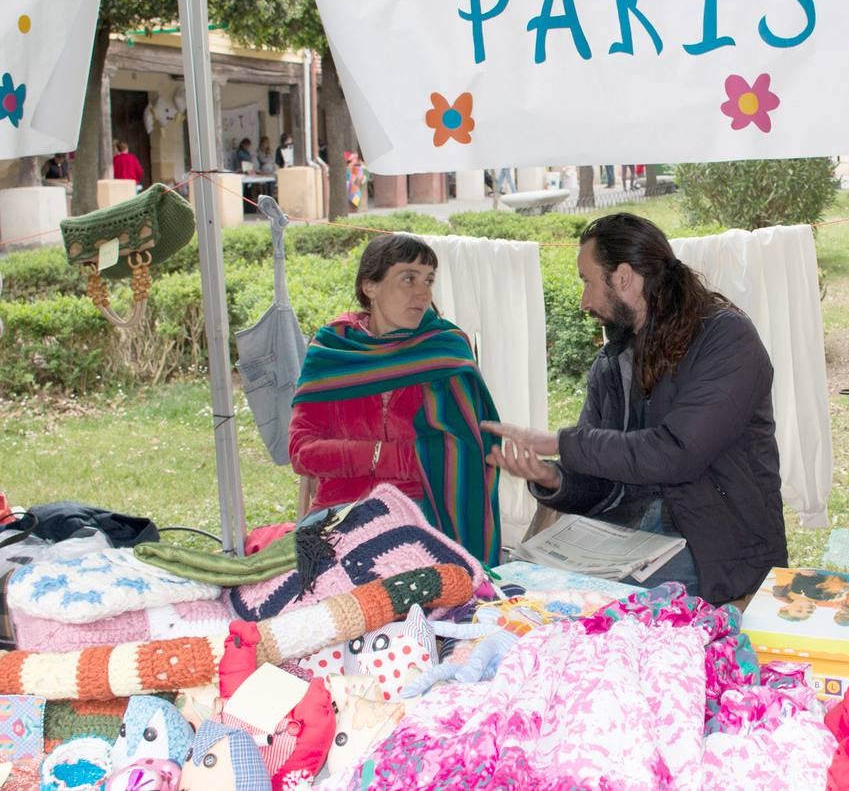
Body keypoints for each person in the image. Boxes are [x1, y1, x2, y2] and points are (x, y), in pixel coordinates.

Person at [482, 213, 788, 605]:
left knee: (581, 606)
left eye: (588, 283)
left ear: (624, 277)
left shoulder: (726, 338)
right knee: (520, 590)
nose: (584, 302)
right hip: (629, 539)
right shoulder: (613, 361)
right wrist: (554, 479)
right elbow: (601, 475)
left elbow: (677, 454)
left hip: (719, 547)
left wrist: (558, 440)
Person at [289, 233, 504, 566]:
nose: (423, 293)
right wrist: (387, 455)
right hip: (337, 513)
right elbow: (302, 452)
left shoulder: (444, 350)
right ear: (369, 286)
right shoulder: (333, 350)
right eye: (408, 279)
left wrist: (360, 456)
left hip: (422, 512)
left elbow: (465, 455)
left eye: (428, 280)